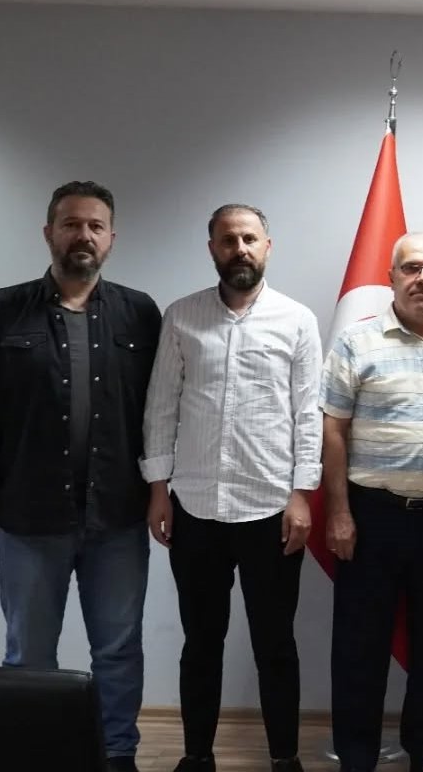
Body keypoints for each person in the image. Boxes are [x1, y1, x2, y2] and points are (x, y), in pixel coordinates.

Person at [0, 181, 160, 772]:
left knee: (119, 648)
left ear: (111, 238)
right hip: (29, 514)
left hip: (117, 515)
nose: (84, 235)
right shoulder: (5, 309)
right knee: (29, 652)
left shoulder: (139, 313)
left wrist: (161, 490)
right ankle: (32, 757)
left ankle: (118, 754)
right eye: (72, 224)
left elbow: (162, 411)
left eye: (95, 226)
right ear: (49, 232)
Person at [140, 204, 321, 772]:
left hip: (272, 509)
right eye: (228, 239)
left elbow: (308, 416)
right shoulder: (182, 316)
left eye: (249, 238)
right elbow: (161, 406)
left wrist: (302, 495)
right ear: (212, 249)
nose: (239, 248)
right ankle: (196, 756)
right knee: (201, 642)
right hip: (195, 507)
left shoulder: (297, 320)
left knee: (275, 644)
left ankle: (285, 758)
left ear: (267, 246)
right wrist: (158, 488)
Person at [320, 233, 423, 772]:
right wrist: (339, 512)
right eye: (411, 268)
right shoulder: (357, 342)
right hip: (371, 517)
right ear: (391, 277)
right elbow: (333, 430)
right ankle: (356, 757)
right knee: (359, 645)